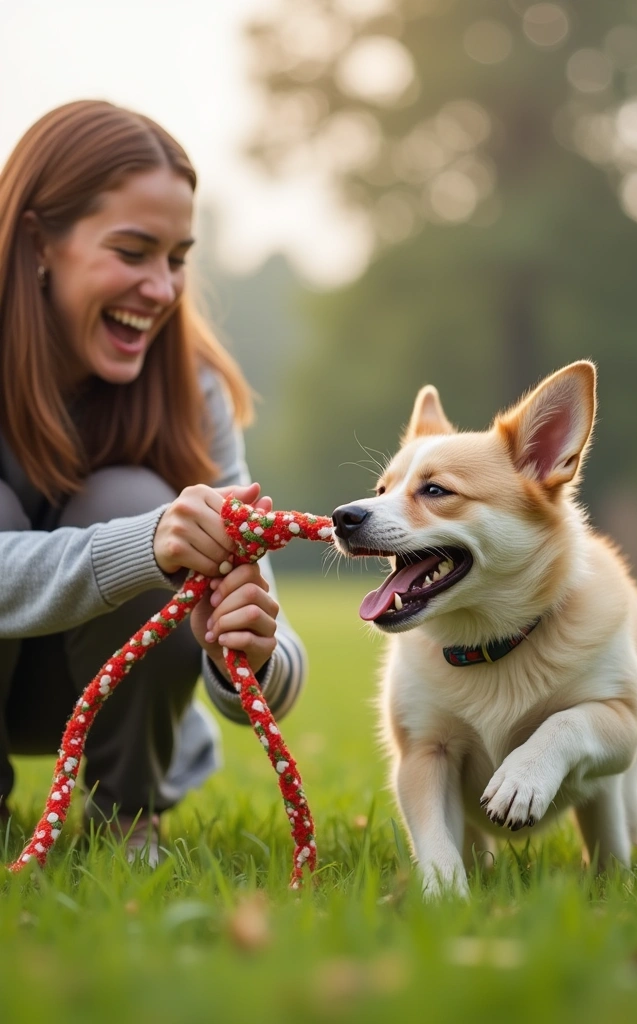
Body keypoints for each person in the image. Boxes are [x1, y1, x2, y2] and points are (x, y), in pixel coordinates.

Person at [0, 100, 307, 863]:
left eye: (175, 258)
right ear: (41, 241)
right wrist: (145, 546)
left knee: (139, 499)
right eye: (133, 251)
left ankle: (127, 819)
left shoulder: (190, 386)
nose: (164, 290)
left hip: (96, 690)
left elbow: (277, 665)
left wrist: (251, 647)